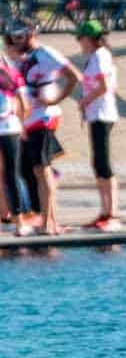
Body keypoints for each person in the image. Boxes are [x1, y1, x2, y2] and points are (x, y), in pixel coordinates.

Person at [10, 18, 81, 236]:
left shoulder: (45, 53)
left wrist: (56, 99)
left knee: (43, 170)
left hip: (44, 118)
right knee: (35, 171)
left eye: (20, 36)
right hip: (27, 121)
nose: (16, 41)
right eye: (14, 37)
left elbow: (73, 76)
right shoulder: (22, 58)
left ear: (32, 34)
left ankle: (49, 223)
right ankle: (46, 219)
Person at [76, 20, 120, 231]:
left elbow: (104, 86)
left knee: (103, 164)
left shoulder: (100, 56)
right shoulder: (96, 57)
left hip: (102, 114)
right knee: (98, 163)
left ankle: (112, 213)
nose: (79, 43)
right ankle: (104, 211)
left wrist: (85, 101)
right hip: (96, 115)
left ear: (90, 39)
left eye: (81, 38)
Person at [0, 40, 26, 234]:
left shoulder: (11, 73)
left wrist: (21, 124)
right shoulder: (13, 72)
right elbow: (23, 104)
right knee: (8, 174)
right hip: (10, 128)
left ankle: (16, 219)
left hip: (9, 129)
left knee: (10, 174)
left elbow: (23, 104)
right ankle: (12, 219)